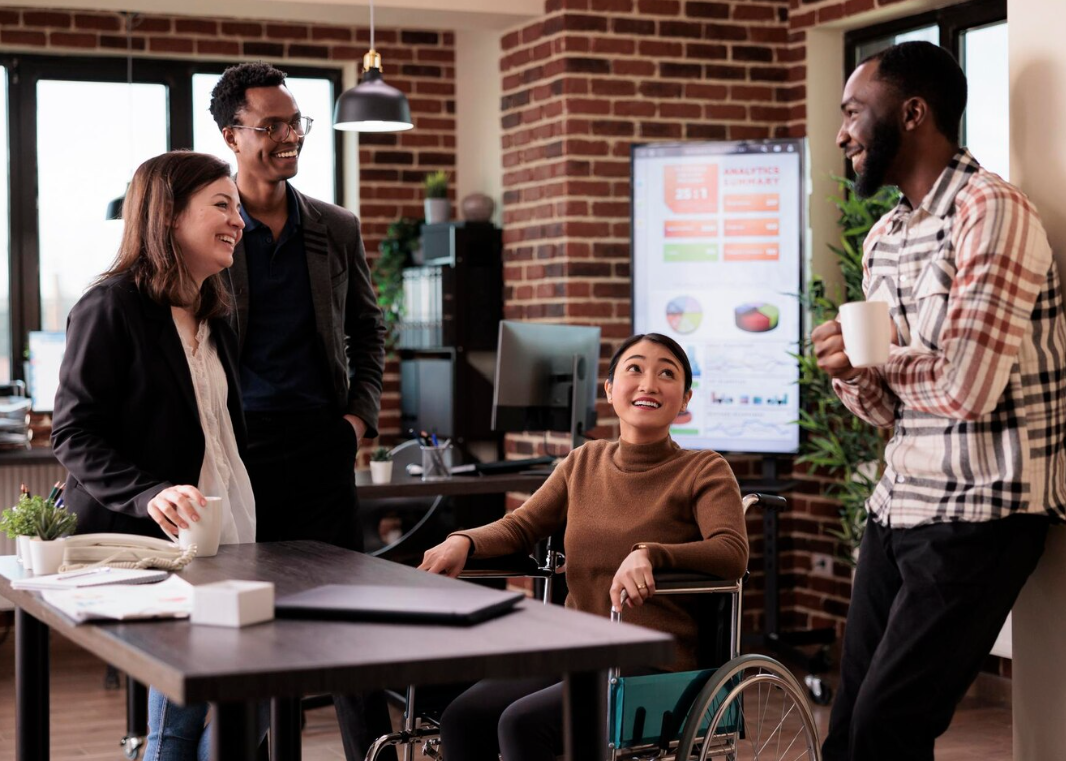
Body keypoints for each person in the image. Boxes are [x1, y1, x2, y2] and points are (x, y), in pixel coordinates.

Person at [813, 41, 1066, 761]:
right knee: (849, 735)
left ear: (914, 113)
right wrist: (850, 373)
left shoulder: (993, 211)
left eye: (854, 113)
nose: (842, 134)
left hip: (981, 513)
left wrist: (878, 361)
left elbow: (967, 388)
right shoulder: (886, 237)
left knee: (887, 732)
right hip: (899, 505)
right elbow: (889, 413)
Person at [418, 333, 749, 761]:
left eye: (666, 373)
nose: (649, 383)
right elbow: (521, 526)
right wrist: (464, 540)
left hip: (654, 663)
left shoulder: (704, 469)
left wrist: (650, 553)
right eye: (635, 369)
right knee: (463, 719)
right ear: (610, 391)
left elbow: (731, 551)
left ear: (685, 398)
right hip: (578, 651)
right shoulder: (583, 461)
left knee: (522, 724)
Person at [208, 62, 392, 760]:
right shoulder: (211, 226)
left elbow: (367, 329)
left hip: (321, 445)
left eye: (296, 123)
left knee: (346, 621)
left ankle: (373, 754)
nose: (290, 137)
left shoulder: (335, 227)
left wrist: (357, 420)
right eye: (272, 126)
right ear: (232, 135)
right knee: (246, 628)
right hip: (238, 452)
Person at [52, 150, 260, 761]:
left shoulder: (216, 313)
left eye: (238, 207)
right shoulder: (109, 307)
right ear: (168, 215)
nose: (238, 220)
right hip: (160, 548)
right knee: (180, 724)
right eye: (222, 205)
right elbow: (74, 432)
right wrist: (151, 493)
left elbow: (219, 430)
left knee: (248, 714)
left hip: (232, 535)